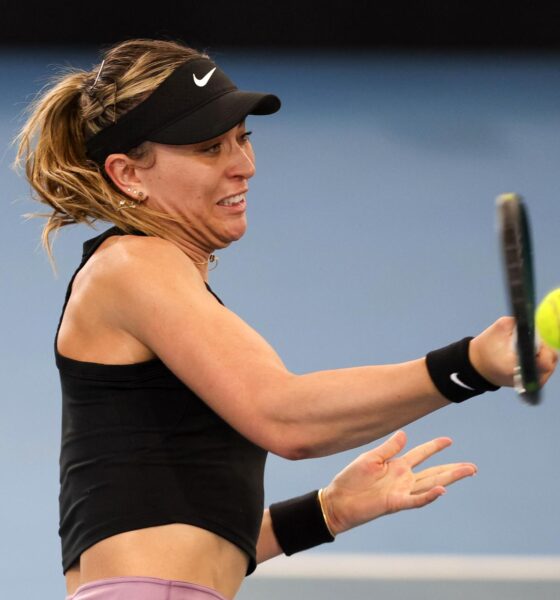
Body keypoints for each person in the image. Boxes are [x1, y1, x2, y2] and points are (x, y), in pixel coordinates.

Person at [15, 38, 557, 600]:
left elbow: (165, 525)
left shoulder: (139, 276)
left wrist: (327, 513)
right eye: (208, 149)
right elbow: (287, 420)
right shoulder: (132, 265)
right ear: (128, 173)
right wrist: (466, 365)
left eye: (242, 139)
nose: (243, 165)